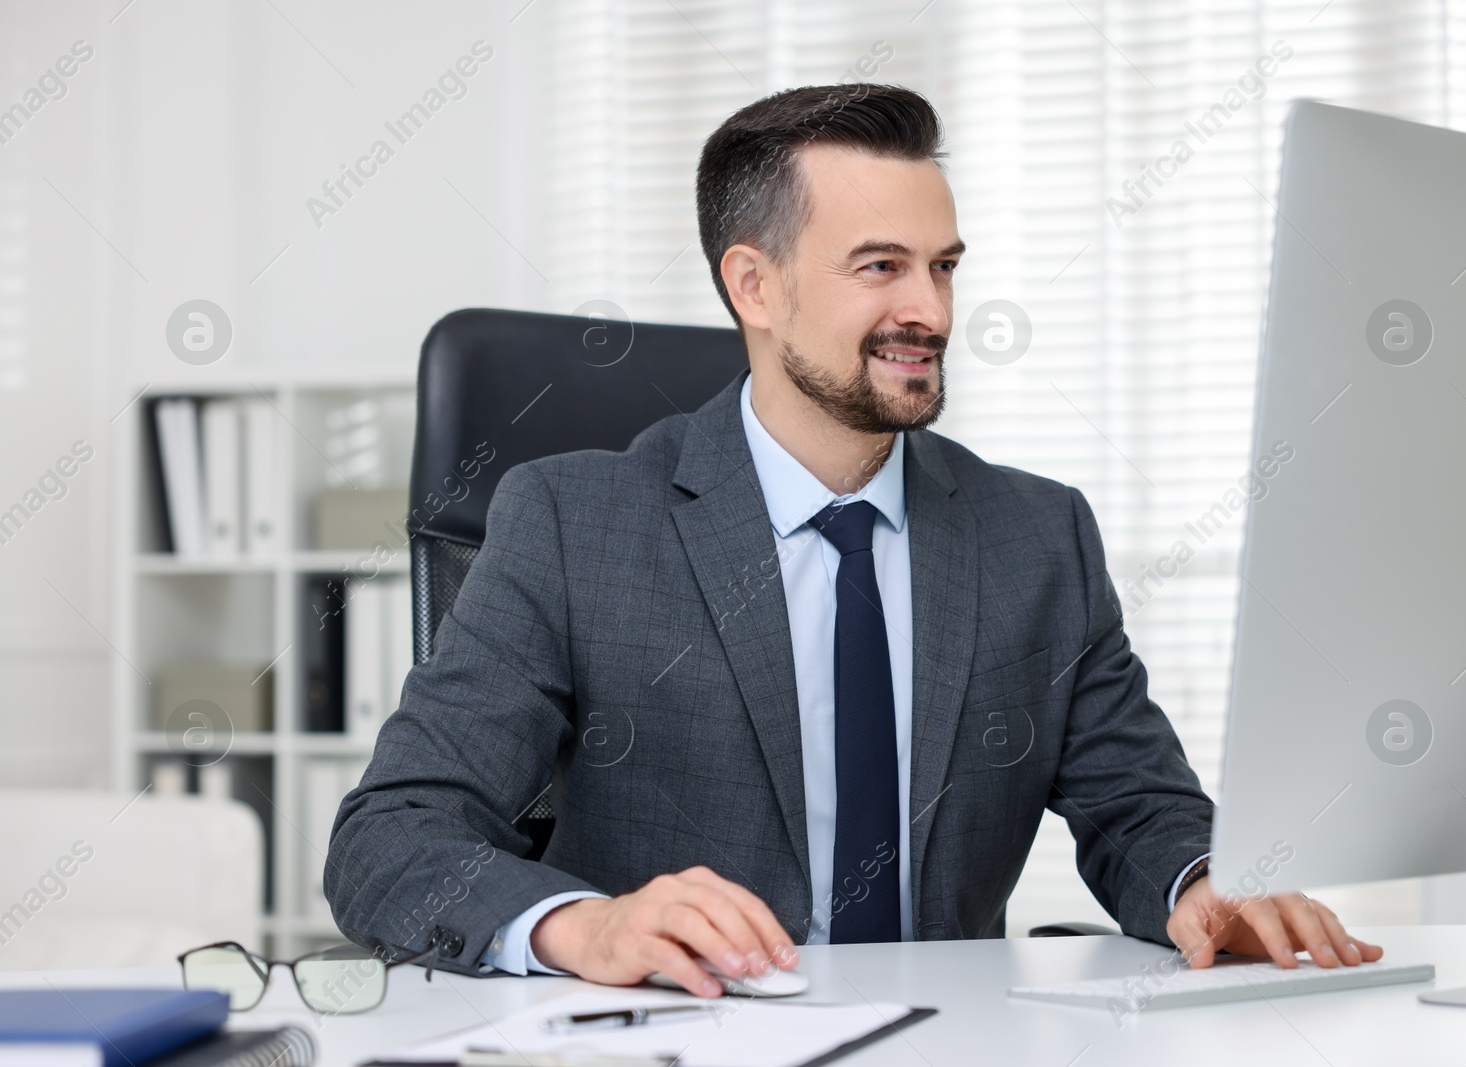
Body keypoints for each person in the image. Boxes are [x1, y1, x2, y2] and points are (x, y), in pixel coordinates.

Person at [329, 83, 1382, 997]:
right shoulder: (574, 522)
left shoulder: (1036, 533)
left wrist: (1198, 886)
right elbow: (391, 837)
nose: (929, 308)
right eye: (879, 266)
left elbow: (1136, 805)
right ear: (754, 285)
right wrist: (582, 924)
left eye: (943, 266)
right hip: (689, 1033)